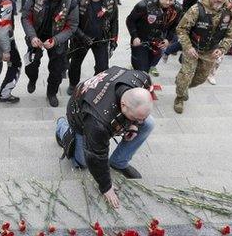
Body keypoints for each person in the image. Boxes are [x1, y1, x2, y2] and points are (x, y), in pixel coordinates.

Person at [55, 66, 156, 209]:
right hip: (80, 116)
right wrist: (106, 187)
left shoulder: (142, 78)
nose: (140, 121)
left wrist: (134, 124)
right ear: (123, 105)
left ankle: (118, 162)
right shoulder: (98, 122)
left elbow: (141, 108)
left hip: (103, 108)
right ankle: (62, 127)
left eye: (141, 118)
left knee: (149, 123)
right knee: (82, 162)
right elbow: (96, 156)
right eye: (137, 118)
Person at [173, 0, 232, 114]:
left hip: (211, 51)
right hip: (193, 49)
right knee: (186, 76)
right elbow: (181, 29)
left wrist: (222, 49)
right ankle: (179, 97)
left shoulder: (231, 12)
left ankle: (182, 84)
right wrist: (188, 47)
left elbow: (231, 34)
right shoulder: (197, 9)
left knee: (200, 79)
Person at [22, 0, 79, 107]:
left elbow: (72, 27)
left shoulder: (71, 3)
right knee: (31, 65)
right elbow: (25, 16)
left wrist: (56, 40)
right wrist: (32, 36)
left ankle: (51, 93)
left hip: (57, 39)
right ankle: (33, 79)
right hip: (36, 35)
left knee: (57, 70)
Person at [67, 0, 118, 95]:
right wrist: (82, 36)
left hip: (101, 38)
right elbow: (72, 22)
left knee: (103, 66)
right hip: (81, 39)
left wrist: (114, 38)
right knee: (75, 63)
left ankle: (97, 85)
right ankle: (73, 84)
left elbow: (114, 20)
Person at [126, 0, 181, 73]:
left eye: (171, 0)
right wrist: (134, 36)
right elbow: (130, 21)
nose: (167, 2)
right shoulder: (144, 5)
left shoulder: (177, 8)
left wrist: (168, 39)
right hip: (141, 40)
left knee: (149, 66)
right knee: (141, 70)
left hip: (159, 42)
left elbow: (175, 26)